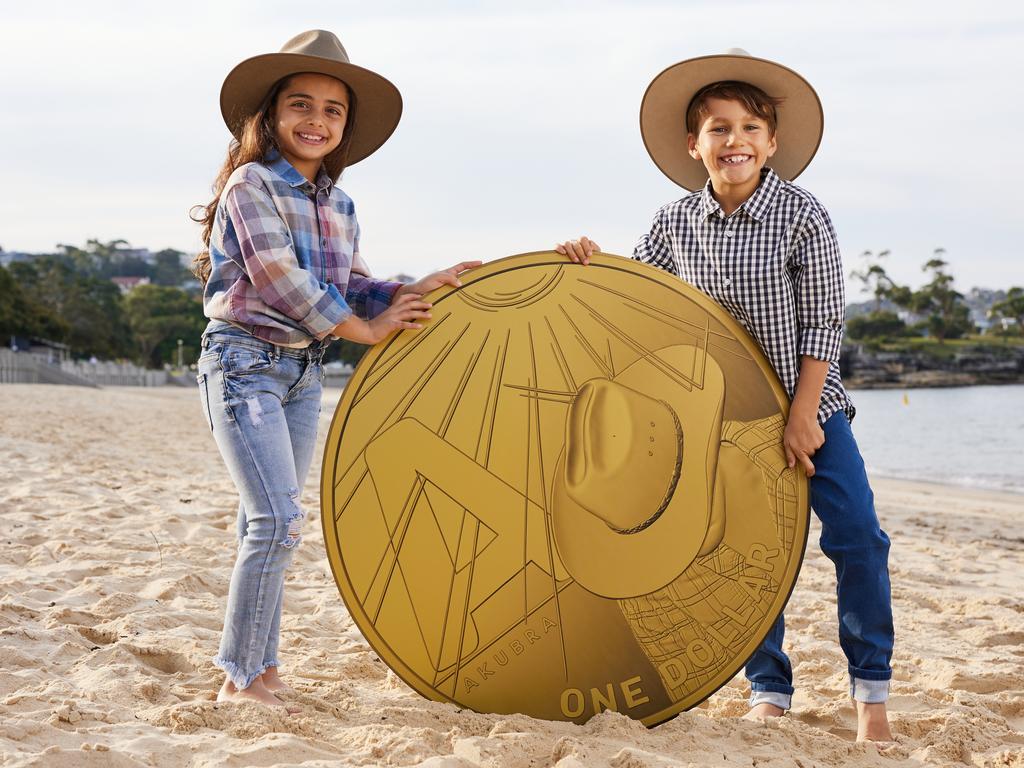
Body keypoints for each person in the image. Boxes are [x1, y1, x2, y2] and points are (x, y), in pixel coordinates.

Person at [555, 49, 894, 742]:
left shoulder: (802, 215)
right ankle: (768, 686)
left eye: (747, 128)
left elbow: (824, 322)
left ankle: (871, 696)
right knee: (743, 554)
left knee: (858, 537)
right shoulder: (674, 223)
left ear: (771, 142)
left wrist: (803, 420)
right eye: (717, 128)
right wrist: (589, 261)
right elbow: (635, 298)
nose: (733, 139)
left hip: (812, 408)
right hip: (723, 418)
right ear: (693, 144)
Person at [191, 29, 479, 711]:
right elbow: (279, 279)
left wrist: (418, 289)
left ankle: (261, 671)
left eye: (332, 111)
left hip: (300, 375)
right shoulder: (250, 184)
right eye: (301, 105)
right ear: (270, 116)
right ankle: (240, 677)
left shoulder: (340, 205)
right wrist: (365, 331)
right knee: (277, 522)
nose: (316, 121)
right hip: (243, 367)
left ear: (345, 128)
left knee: (264, 523)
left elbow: (352, 284)